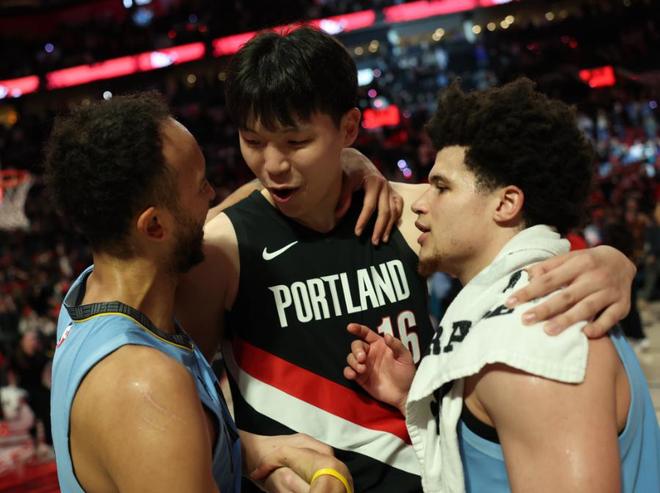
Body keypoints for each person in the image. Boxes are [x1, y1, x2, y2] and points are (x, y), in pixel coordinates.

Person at [177, 27, 637, 493]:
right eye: (253, 142)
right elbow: (177, 405)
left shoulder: (414, 212)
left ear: (349, 129)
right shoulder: (223, 248)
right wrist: (255, 451)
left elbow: (524, 239)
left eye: (296, 143)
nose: (273, 165)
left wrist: (609, 261)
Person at [345, 79, 660, 492]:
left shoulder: (531, 336)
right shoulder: (530, 315)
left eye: (441, 187)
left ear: (506, 203)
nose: (420, 203)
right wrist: (421, 399)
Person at [45, 93, 352, 493]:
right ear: (155, 226)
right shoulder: (144, 385)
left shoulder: (93, 294)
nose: (212, 195)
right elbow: (154, 433)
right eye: (201, 184)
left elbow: (155, 455)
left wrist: (254, 450)